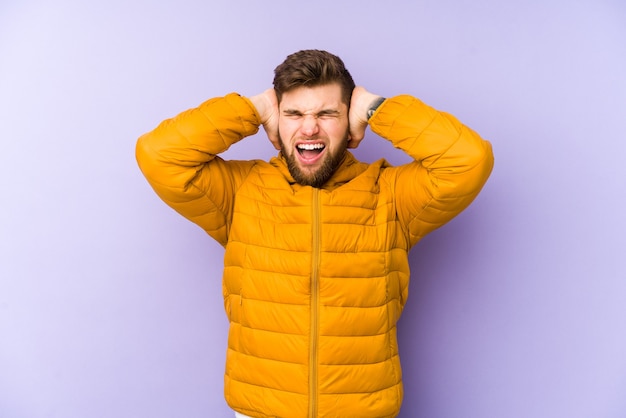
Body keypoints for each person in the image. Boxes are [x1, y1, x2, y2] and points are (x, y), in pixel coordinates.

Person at [136, 49, 494, 418]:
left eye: (327, 113)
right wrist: (253, 109)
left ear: (350, 122)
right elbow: (159, 154)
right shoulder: (240, 191)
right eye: (294, 114)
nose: (309, 128)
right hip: (260, 410)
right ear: (277, 123)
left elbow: (469, 160)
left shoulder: (391, 195)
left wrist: (375, 108)